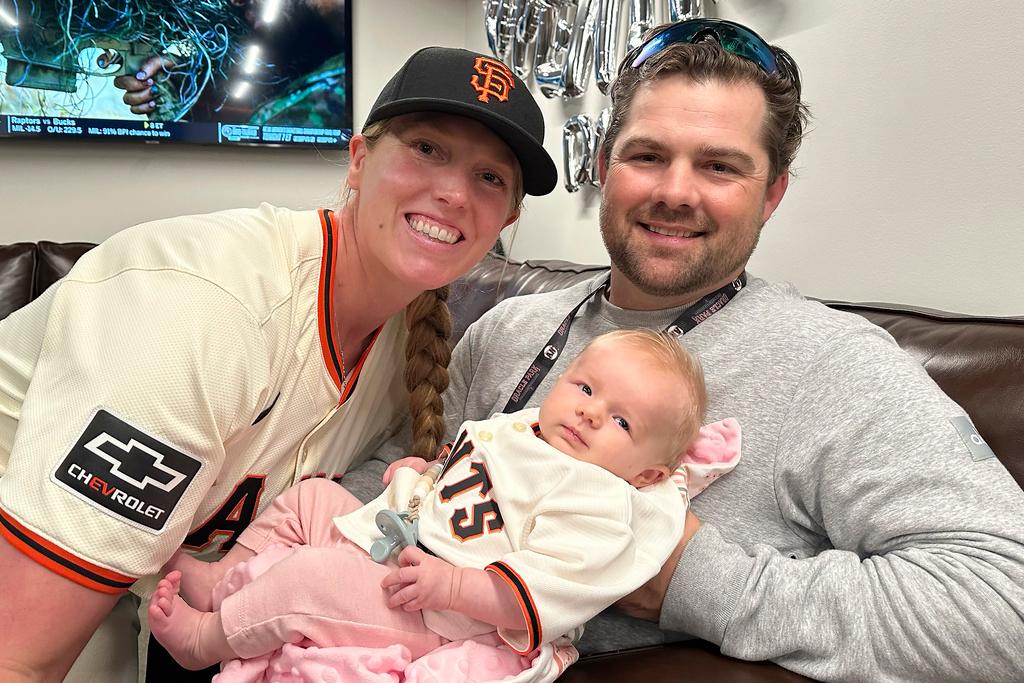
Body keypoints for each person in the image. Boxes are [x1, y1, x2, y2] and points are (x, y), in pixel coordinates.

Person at [342, 19, 1024, 682]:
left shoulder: (833, 365)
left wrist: (688, 579)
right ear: (605, 166)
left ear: (772, 195)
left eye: (720, 166)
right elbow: (396, 474)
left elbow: (1004, 603)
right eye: (648, 156)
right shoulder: (509, 329)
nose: (674, 192)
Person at [0, 46, 558, 683]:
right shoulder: (207, 307)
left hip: (141, 592)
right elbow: (19, 657)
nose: (455, 192)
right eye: (427, 148)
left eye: (491, 177)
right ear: (358, 159)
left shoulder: (411, 347)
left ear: (508, 217)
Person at [146, 329, 732, 680]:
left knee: (311, 578)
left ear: (649, 472)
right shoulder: (532, 431)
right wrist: (422, 475)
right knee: (310, 499)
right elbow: (473, 474)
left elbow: (541, 589)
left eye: (622, 421)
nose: (590, 412)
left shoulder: (600, 502)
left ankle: (208, 639)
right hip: (404, 537)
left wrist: (448, 589)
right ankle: (226, 577)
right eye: (584, 388)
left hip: (446, 616)